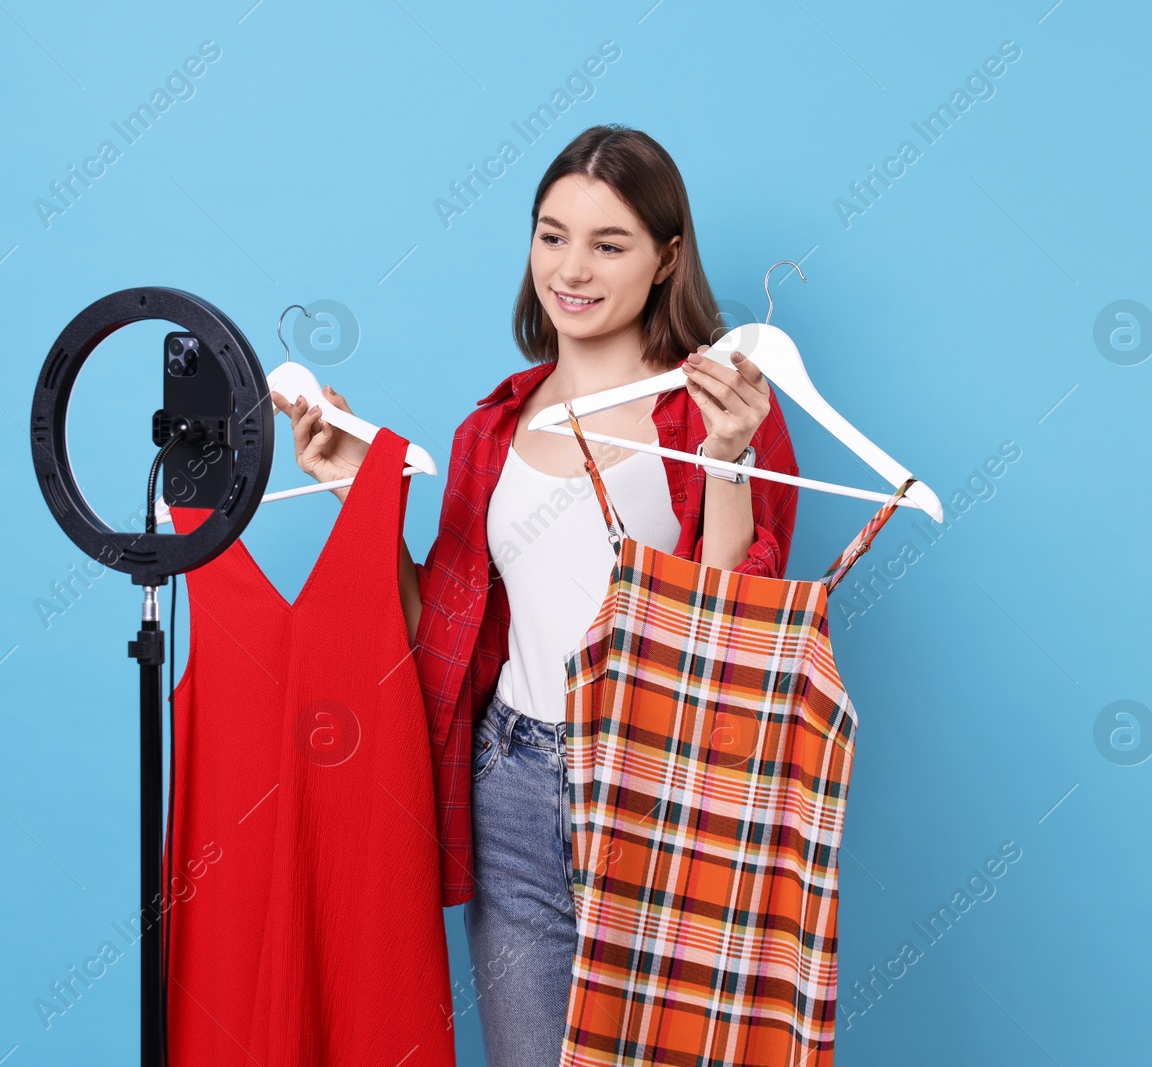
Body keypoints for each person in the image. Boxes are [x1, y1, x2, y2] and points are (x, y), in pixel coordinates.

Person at [271, 124, 799, 1067]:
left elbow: (735, 635)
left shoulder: (717, 414)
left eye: (609, 243)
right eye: (552, 235)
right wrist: (367, 505)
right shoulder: (493, 427)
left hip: (655, 786)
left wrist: (729, 466)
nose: (574, 268)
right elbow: (441, 631)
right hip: (512, 784)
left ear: (667, 257)